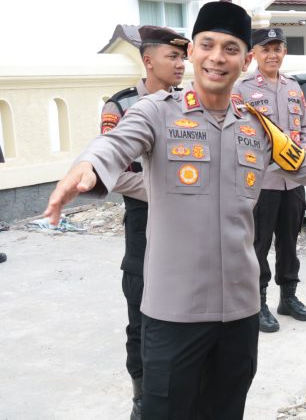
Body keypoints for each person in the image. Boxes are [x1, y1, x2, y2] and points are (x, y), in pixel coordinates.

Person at [43, 1, 306, 419]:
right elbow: (114, 145)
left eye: (230, 48)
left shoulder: (257, 126)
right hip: (174, 313)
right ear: (192, 52)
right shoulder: (155, 113)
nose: (217, 57)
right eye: (207, 45)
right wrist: (86, 166)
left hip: (240, 313)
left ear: (245, 60)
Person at [100, 25, 189, 420]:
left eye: (183, 57)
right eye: (173, 57)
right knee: (141, 318)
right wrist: (163, 190)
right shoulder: (120, 107)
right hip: (145, 222)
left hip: (189, 223)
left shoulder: (191, 105)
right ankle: (142, 399)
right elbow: (114, 173)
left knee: (187, 313)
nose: (181, 64)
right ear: (148, 60)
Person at [232, 27, 306, 333]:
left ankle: (288, 297)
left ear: (284, 53)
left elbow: (305, 127)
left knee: (290, 242)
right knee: (259, 244)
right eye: (266, 49)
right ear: (254, 55)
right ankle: (259, 302)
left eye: (278, 49)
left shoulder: (293, 87)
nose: (272, 55)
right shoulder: (241, 90)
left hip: (293, 180)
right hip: (261, 183)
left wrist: (305, 148)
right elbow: (236, 133)